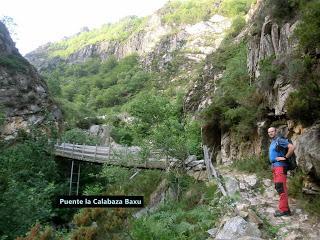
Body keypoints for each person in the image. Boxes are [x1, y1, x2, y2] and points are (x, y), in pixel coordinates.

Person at [267, 127, 295, 217]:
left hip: (280, 166)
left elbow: (291, 147)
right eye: (269, 132)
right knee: (278, 187)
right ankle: (285, 208)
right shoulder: (273, 142)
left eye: (272, 131)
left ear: (276, 132)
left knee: (281, 187)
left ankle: (284, 210)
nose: (270, 133)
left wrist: (285, 157)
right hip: (275, 167)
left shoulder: (280, 140)